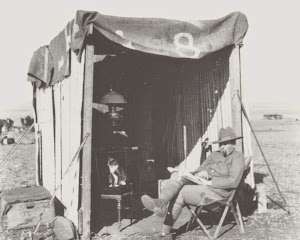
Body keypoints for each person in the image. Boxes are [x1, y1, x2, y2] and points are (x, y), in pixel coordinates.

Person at [141, 127, 245, 239]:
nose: (222, 146)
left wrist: (210, 180)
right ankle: (160, 202)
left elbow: (233, 182)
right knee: (176, 175)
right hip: (203, 187)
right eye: (220, 144)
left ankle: (165, 232)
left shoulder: (237, 157)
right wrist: (200, 173)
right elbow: (199, 169)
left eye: (225, 144)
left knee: (181, 192)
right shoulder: (215, 155)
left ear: (233, 144)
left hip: (219, 194)